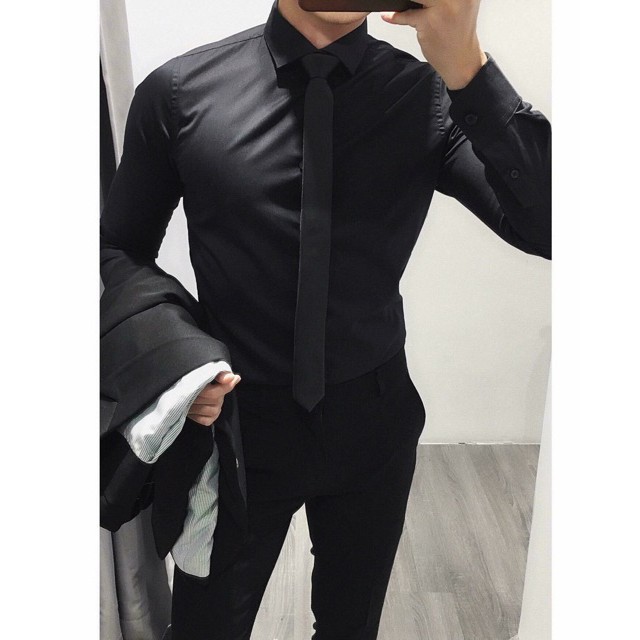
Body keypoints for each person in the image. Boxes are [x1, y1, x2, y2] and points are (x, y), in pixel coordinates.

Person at [100, 0, 551, 638]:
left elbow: (554, 227)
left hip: (374, 426)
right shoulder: (178, 93)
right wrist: (180, 363)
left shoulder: (429, 97)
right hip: (235, 431)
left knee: (351, 627)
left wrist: (470, 72)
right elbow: (118, 251)